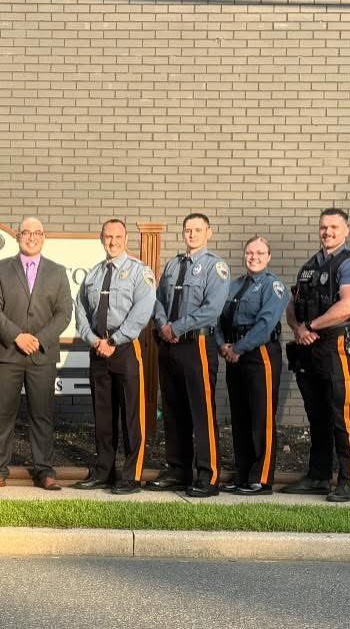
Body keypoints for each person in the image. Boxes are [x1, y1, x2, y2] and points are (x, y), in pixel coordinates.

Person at [283, 208, 350, 502]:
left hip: (335, 346)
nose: (327, 232)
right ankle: (318, 476)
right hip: (307, 346)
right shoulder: (309, 266)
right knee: (317, 416)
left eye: (334, 227)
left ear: (346, 231)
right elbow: (292, 305)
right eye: (323, 227)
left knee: (341, 415)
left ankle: (348, 480)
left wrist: (311, 327)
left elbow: (348, 306)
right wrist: (298, 328)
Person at [0, 217, 73, 490]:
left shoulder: (57, 271)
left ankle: (44, 470)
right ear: (18, 236)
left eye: (37, 233)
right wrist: (17, 336)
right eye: (26, 232)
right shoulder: (0, 269)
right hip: (8, 352)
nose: (31, 237)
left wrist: (39, 339)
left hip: (42, 355)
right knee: (2, 414)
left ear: (44, 237)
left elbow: (64, 313)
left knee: (42, 415)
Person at [147, 213, 230, 497]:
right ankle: (178, 469)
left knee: (202, 412)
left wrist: (177, 327)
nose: (191, 234)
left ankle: (208, 475)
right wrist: (163, 325)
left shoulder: (214, 267)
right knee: (173, 409)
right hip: (170, 345)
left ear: (209, 232)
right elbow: (157, 300)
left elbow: (212, 309)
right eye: (187, 230)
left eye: (197, 230)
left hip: (197, 345)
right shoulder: (172, 265)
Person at [73, 219, 157, 494]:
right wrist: (93, 339)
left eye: (117, 236)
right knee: (103, 415)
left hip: (124, 348)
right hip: (98, 348)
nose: (112, 241)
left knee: (132, 416)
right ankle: (104, 471)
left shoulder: (138, 271)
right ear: (101, 238)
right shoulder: (94, 274)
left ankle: (131, 476)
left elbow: (142, 311)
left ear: (126, 238)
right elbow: (81, 310)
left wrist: (114, 340)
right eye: (108, 236)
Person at [217, 235, 288, 496]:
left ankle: (261, 479)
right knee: (241, 417)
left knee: (261, 417)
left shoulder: (274, 286)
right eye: (250, 253)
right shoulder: (233, 286)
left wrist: (237, 348)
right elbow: (218, 318)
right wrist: (223, 344)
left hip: (260, 354)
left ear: (268, 257)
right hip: (234, 355)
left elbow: (265, 324)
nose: (254, 257)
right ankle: (243, 475)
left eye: (260, 253)